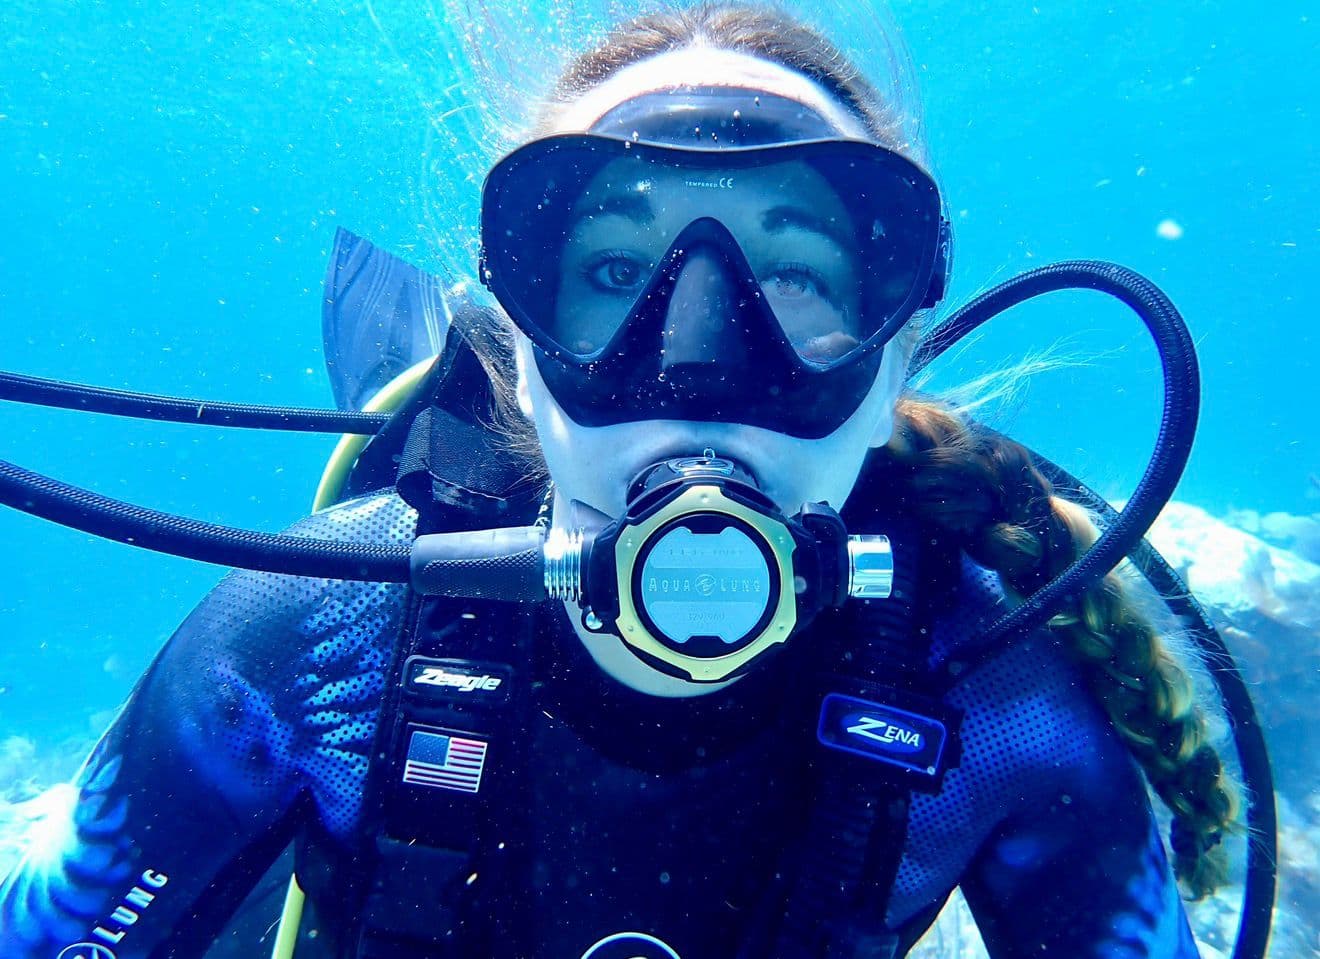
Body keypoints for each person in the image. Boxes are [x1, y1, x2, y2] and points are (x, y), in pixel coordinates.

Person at [0, 3, 1242, 958]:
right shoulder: (316, 631)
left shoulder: (995, 698)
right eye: (609, 273)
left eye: (794, 276)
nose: (697, 366)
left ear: (893, 358)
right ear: (519, 354)